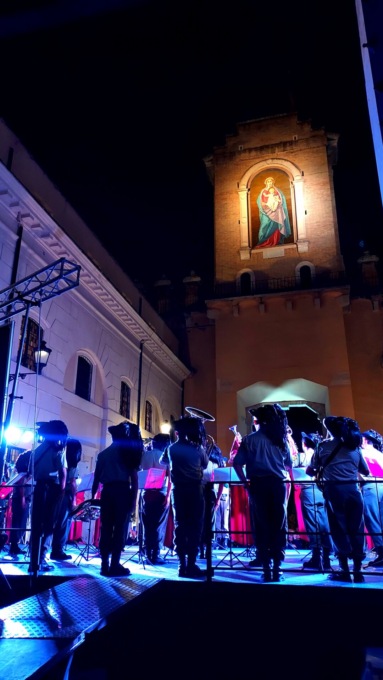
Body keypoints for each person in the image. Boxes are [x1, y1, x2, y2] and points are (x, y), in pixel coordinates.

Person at [233, 403, 293, 582]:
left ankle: (266, 568)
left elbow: (237, 463)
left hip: (257, 485)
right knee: (279, 524)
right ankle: (277, 567)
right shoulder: (280, 439)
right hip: (277, 485)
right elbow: (288, 463)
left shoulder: (249, 439)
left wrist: (245, 483)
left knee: (261, 525)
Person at [307, 416, 370, 583]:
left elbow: (310, 471)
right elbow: (366, 471)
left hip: (334, 492)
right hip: (354, 492)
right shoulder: (354, 448)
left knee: (337, 528)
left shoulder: (322, 446)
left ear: (330, 430)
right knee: (357, 529)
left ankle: (344, 569)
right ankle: (358, 570)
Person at [91, 421, 143, 577]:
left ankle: (104, 565)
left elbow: (96, 479)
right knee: (120, 529)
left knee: (105, 528)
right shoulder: (128, 454)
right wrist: (133, 501)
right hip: (122, 492)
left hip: (107, 492)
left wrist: (94, 497)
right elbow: (134, 480)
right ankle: (115, 564)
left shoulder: (103, 454)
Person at [160, 415, 209, 578]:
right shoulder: (197, 448)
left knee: (180, 526)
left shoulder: (171, 448)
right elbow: (205, 464)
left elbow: (162, 462)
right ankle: (192, 564)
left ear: (177, 432)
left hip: (178, 490)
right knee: (195, 526)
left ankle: (182, 565)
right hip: (195, 489)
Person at [29, 420, 69, 575]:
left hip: (39, 488)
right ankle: (42, 559)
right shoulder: (57, 450)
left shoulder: (36, 451)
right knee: (49, 525)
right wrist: (62, 491)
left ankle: (33, 561)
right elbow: (63, 473)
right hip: (52, 489)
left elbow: (32, 471)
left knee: (36, 524)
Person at [293, 432, 334, 571]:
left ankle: (317, 557)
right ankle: (326, 557)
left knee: (312, 523)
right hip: (321, 489)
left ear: (305, 443)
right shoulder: (321, 453)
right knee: (323, 522)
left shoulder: (304, 456)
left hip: (309, 490)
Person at [140, 432, 171, 565]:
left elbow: (140, 470)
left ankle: (147, 552)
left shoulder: (145, 455)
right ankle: (155, 554)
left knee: (147, 524)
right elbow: (170, 477)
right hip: (160, 493)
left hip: (146, 493)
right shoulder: (166, 456)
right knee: (158, 525)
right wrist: (168, 496)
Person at [50, 438, 82, 561]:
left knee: (53, 522)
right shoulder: (73, 464)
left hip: (54, 492)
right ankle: (58, 551)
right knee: (63, 523)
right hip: (65, 495)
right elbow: (73, 483)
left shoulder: (59, 458)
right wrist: (73, 502)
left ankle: (53, 549)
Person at [359, 429, 383, 567]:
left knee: (372, 519)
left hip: (370, 486)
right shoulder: (379, 453)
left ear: (366, 440)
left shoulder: (362, 453)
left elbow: (361, 472)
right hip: (382, 485)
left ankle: (381, 552)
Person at [9, 448, 33, 556]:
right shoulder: (23, 475)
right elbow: (21, 488)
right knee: (20, 522)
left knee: (18, 522)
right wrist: (23, 499)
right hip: (21, 500)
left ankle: (14, 545)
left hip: (20, 499)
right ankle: (14, 545)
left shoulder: (20, 473)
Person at [255, 176, 291, 248]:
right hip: (266, 212)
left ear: (273, 182)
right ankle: (263, 242)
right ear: (266, 183)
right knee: (265, 226)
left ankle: (277, 241)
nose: (270, 183)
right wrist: (265, 206)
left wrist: (278, 204)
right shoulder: (263, 191)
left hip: (277, 211)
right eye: (268, 181)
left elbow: (281, 200)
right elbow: (259, 201)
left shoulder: (278, 191)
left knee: (276, 226)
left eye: (271, 181)